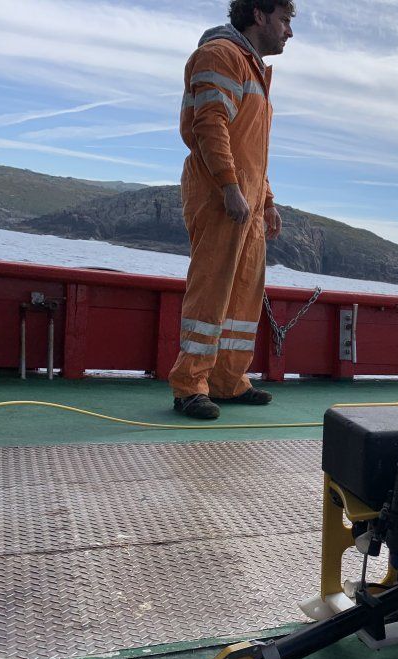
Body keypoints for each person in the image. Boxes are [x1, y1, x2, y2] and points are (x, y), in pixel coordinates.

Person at [169, 0, 295, 419]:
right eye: (284, 21)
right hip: (221, 193)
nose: (288, 32)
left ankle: (226, 380)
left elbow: (251, 146)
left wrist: (269, 200)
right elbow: (210, 124)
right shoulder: (221, 55)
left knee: (243, 292)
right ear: (259, 16)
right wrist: (228, 185)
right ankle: (189, 385)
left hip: (250, 198)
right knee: (213, 288)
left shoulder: (255, 68)